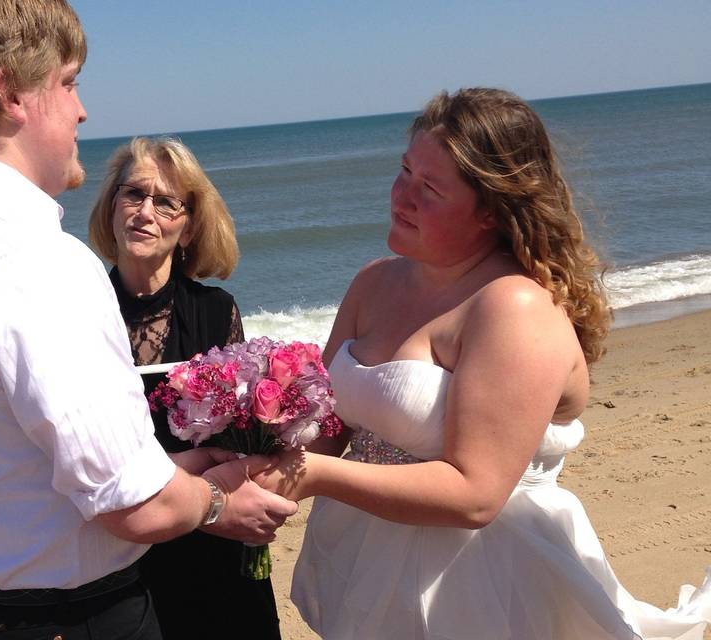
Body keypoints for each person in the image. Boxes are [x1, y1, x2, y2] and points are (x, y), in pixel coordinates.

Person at [0, 2, 296, 639]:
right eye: (68, 83)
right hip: (71, 619)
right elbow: (135, 506)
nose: (81, 109)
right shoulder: (37, 260)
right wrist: (219, 500)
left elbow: (25, 469)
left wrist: (195, 462)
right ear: (8, 89)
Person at [253, 88, 711, 639]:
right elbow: (325, 425)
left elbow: (475, 494)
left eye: (430, 188)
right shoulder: (373, 283)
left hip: (485, 582)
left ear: (491, 210)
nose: (402, 197)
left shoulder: (514, 307)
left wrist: (310, 476)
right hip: (368, 558)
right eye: (404, 172)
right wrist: (243, 444)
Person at [88, 136, 281, 639]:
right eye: (133, 194)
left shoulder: (218, 312)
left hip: (210, 543)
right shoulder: (80, 313)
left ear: (189, 226)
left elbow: (238, 444)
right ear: (111, 208)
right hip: (118, 556)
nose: (144, 212)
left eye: (166, 202)